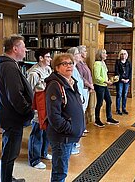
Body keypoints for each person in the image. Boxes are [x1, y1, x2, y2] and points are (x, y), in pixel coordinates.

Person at [0, 34, 34, 182]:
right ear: (15, 48)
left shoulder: (7, 64)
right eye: (23, 47)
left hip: (8, 115)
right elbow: (15, 96)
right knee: (10, 153)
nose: (26, 50)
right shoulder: (8, 66)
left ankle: (8, 178)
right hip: (12, 117)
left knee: (9, 151)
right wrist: (28, 111)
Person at [45, 53, 85, 182]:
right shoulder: (55, 85)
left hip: (69, 135)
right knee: (60, 172)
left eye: (71, 63)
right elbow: (53, 115)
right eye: (64, 63)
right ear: (57, 68)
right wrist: (69, 129)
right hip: (62, 137)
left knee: (62, 169)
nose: (69, 66)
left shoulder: (72, 82)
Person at [27, 49, 52, 169]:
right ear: (41, 58)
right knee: (36, 133)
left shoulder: (48, 69)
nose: (50, 59)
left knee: (46, 130)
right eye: (47, 56)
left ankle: (43, 152)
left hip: (47, 106)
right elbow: (29, 92)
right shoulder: (33, 73)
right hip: (38, 108)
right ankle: (34, 159)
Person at [93, 49, 119, 127]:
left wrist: (110, 80)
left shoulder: (103, 63)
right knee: (100, 103)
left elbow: (104, 74)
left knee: (109, 101)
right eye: (104, 53)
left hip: (104, 85)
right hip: (99, 85)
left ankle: (109, 118)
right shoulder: (97, 63)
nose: (106, 55)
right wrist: (106, 81)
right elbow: (97, 77)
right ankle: (97, 120)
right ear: (100, 54)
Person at [67, 47, 85, 155]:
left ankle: (74, 143)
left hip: (78, 96)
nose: (80, 55)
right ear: (73, 56)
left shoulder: (75, 67)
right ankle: (72, 145)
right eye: (77, 53)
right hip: (75, 98)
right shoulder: (71, 68)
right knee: (74, 121)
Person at [76, 45, 94, 132]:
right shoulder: (78, 65)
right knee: (81, 109)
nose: (86, 52)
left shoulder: (84, 63)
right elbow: (81, 78)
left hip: (87, 88)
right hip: (82, 88)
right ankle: (81, 128)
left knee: (84, 108)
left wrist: (91, 85)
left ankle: (82, 127)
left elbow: (89, 75)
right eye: (84, 51)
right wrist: (90, 85)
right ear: (80, 53)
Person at [115, 49, 132, 115]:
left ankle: (124, 108)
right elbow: (116, 71)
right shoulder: (118, 62)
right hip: (120, 81)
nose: (123, 55)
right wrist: (121, 79)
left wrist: (128, 79)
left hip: (127, 80)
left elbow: (130, 72)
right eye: (122, 54)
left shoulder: (129, 63)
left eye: (124, 54)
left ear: (126, 55)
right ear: (120, 55)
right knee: (119, 94)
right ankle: (118, 109)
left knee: (125, 95)